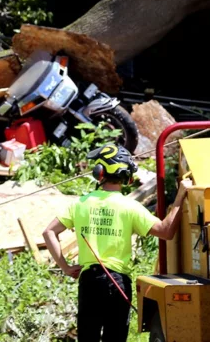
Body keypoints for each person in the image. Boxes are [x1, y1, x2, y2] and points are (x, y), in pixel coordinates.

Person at [42, 143, 192, 342]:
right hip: (117, 283)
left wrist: (66, 267)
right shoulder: (130, 206)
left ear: (99, 173)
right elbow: (166, 231)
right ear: (128, 177)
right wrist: (181, 195)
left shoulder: (80, 204)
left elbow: (48, 232)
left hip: (90, 282)